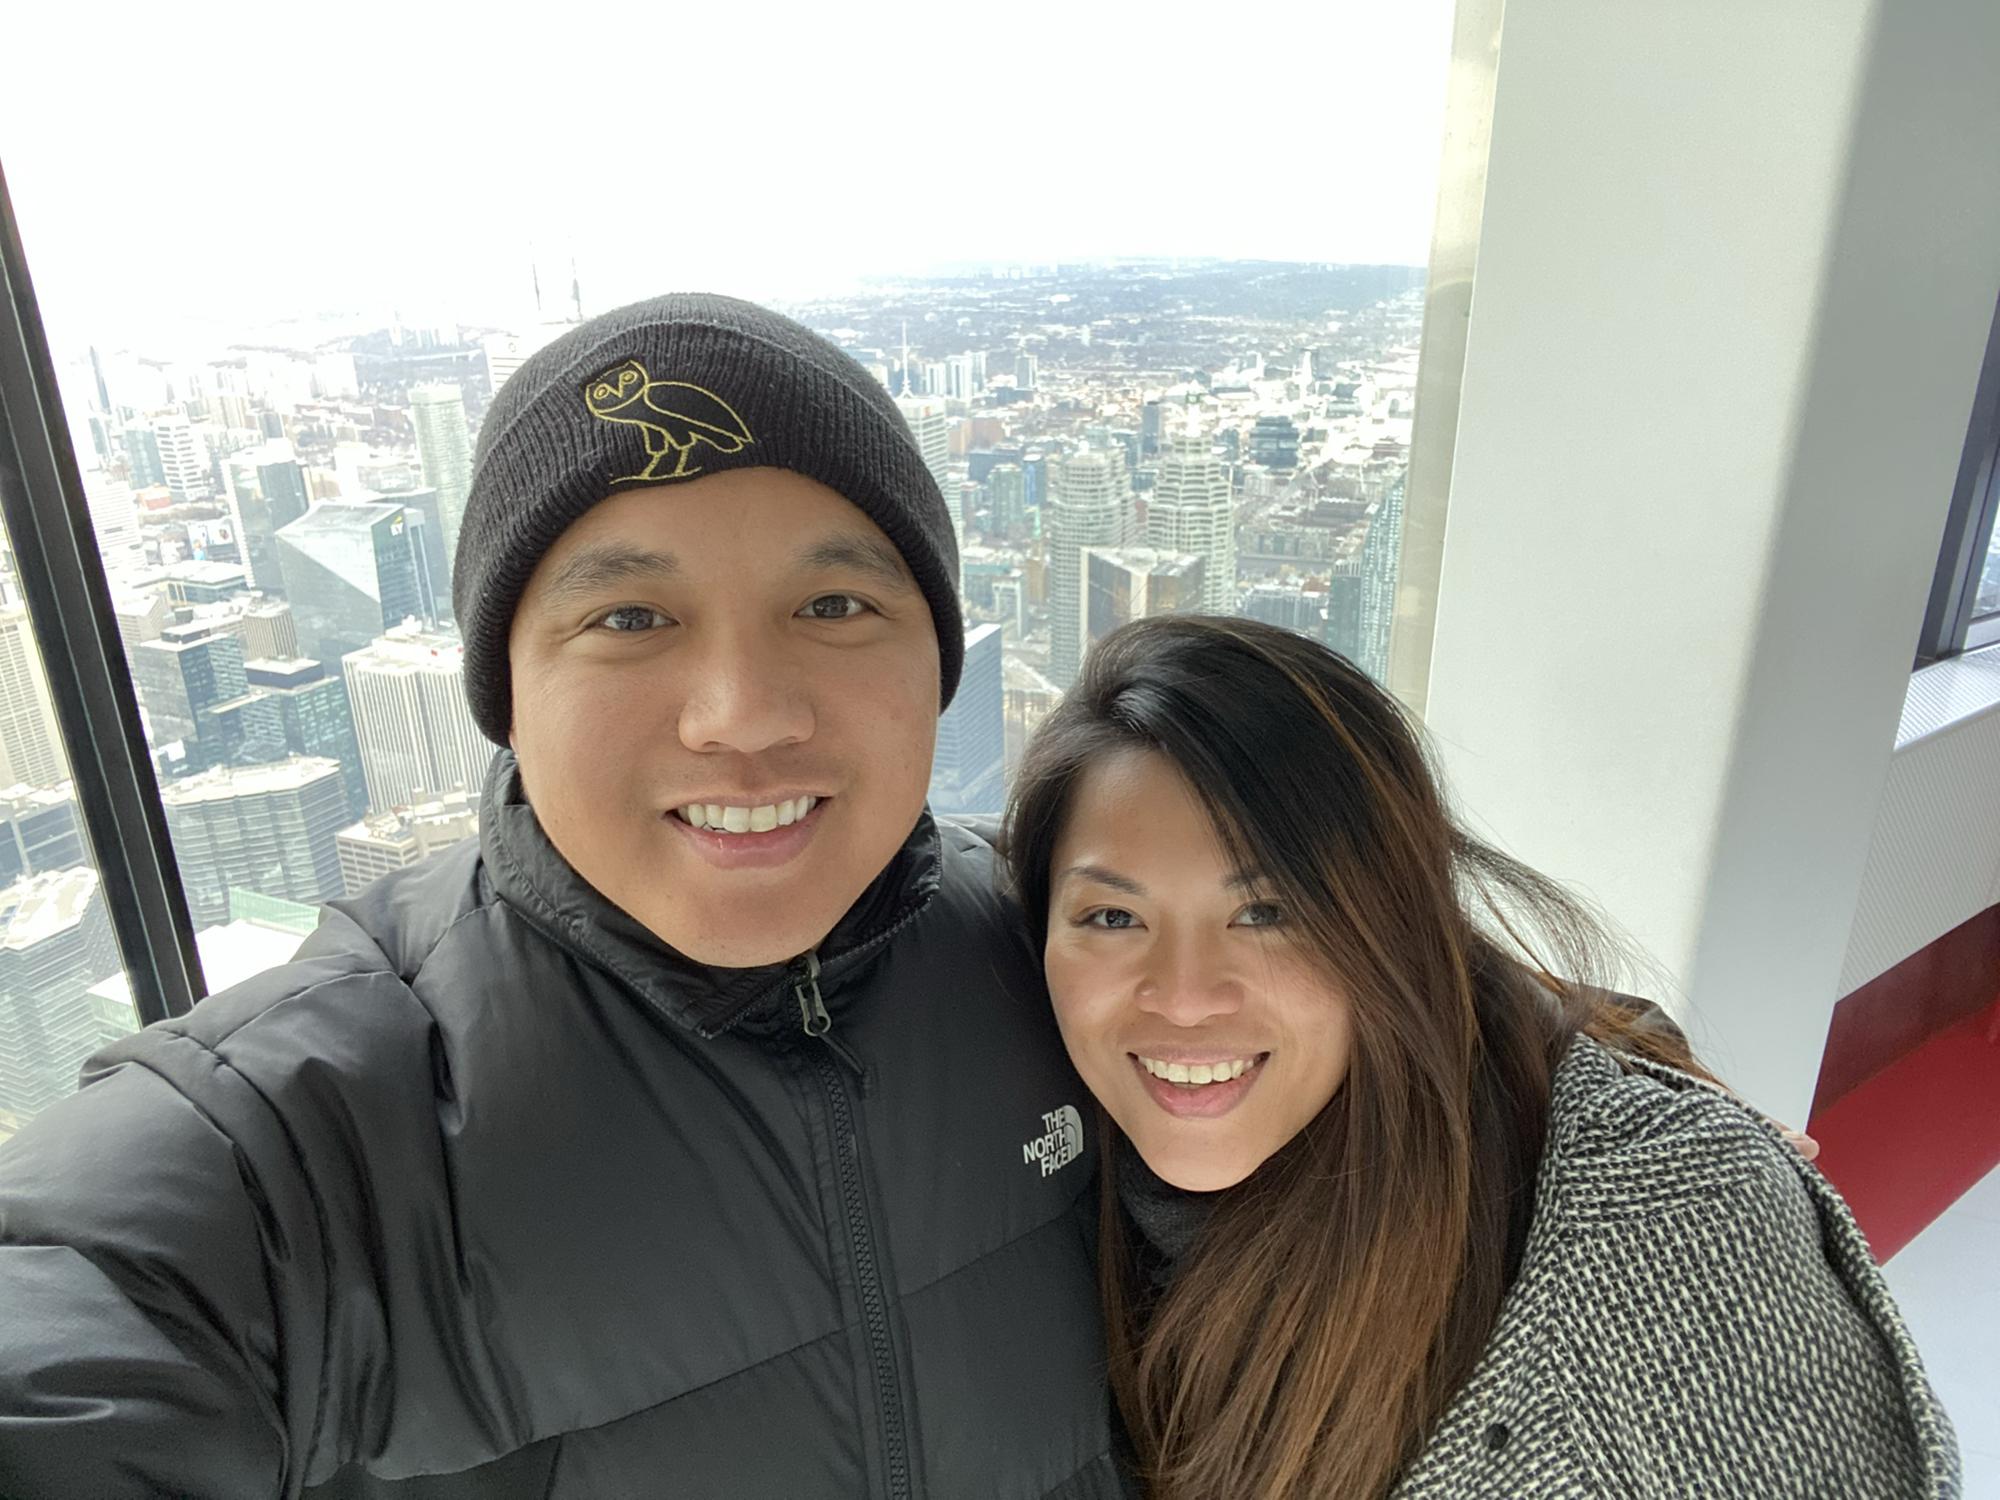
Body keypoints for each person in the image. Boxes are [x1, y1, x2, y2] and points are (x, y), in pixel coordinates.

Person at [0, 295, 1122, 1498]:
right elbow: (72, 1321)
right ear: (508, 696)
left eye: (834, 606)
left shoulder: (1079, 959)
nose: (741, 713)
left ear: (936, 661)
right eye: (628, 618)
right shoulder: (313, 1139)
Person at [1003, 615, 1960, 1500]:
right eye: (1113, 916)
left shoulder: (1668, 1223)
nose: (1184, 995)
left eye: (1268, 911)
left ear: (1391, 927)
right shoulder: (1020, 1149)